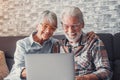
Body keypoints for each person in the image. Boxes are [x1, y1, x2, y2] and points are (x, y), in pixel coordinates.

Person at [4, 10, 96, 80]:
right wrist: (42, 72)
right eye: (45, 26)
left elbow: (73, 41)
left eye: (52, 28)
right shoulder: (22, 44)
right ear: (37, 25)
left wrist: (88, 34)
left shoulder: (55, 43)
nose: (48, 31)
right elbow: (18, 69)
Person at [60, 6, 112, 80]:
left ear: (82, 24)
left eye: (74, 26)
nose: (70, 31)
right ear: (62, 26)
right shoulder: (58, 45)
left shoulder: (94, 42)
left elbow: (106, 72)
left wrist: (86, 78)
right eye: (66, 26)